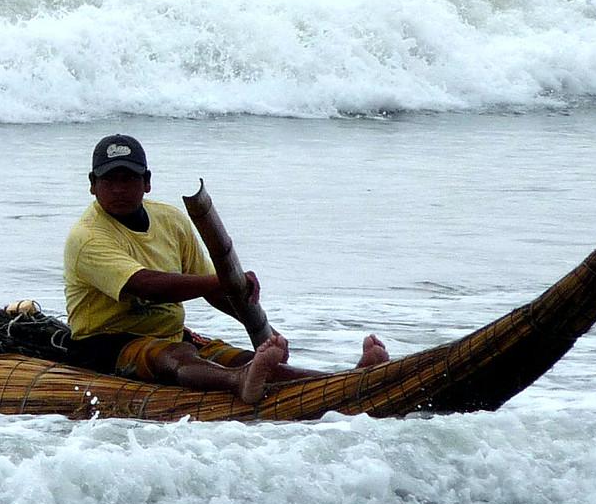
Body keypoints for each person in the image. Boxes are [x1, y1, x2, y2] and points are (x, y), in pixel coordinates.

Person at [63, 133, 389, 403]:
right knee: (176, 357)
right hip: (105, 344)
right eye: (109, 180)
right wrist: (218, 281)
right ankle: (238, 382)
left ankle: (346, 381)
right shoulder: (87, 237)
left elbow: (215, 291)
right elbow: (146, 285)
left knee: (248, 358)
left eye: (129, 178)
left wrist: (263, 328)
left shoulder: (171, 220)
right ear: (93, 185)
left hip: (171, 333)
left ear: (147, 182)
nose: (119, 188)